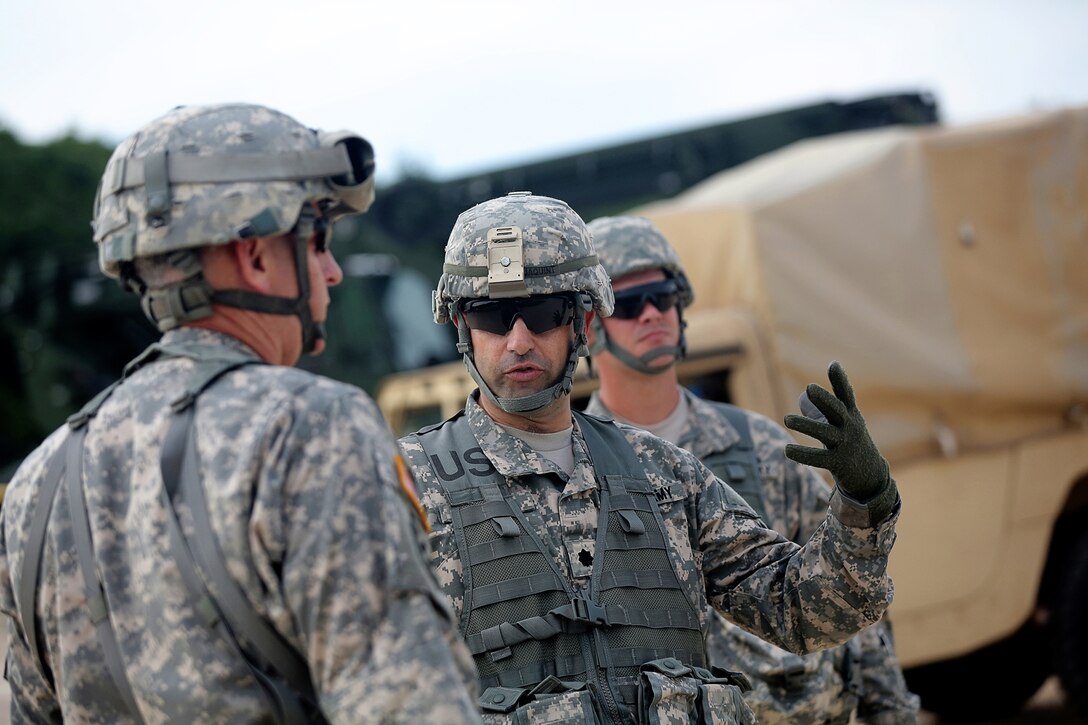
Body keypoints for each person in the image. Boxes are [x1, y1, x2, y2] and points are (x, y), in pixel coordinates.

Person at [0, 103, 481, 724]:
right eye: (318, 241)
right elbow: (409, 707)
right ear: (255, 257)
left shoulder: (37, 485)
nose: (332, 271)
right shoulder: (309, 427)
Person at [398, 191, 902, 724]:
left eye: (543, 314)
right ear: (463, 329)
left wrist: (862, 501)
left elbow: (802, 611)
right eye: (494, 317)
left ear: (582, 324)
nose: (519, 341)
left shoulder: (663, 473)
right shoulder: (408, 487)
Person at [582, 214, 920, 724]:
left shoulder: (756, 446)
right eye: (629, 304)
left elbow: (850, 603)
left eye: (664, 295)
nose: (653, 313)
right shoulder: (573, 469)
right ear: (591, 327)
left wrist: (892, 712)